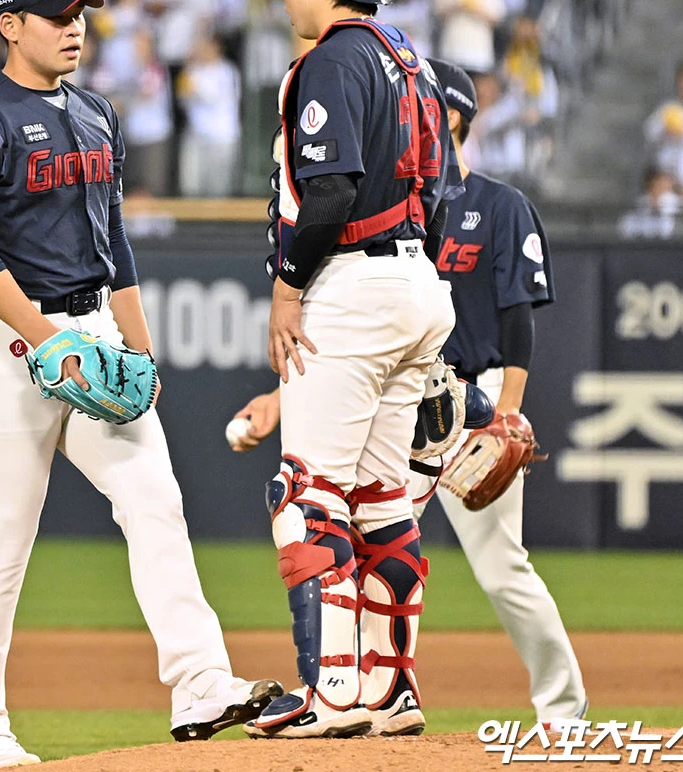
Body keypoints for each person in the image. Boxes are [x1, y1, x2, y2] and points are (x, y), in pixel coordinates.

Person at [0, 0, 280, 772]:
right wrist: (45, 338)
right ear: (10, 25)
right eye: (56, 15)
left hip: (93, 332)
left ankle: (200, 684)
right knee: (2, 541)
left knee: (156, 501)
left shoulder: (96, 112)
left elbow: (112, 238)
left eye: (79, 13)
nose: (74, 27)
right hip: (9, 342)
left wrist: (140, 346)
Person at [230, 59, 590, 731]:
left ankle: (562, 707)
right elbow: (354, 350)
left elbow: (518, 321)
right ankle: (378, 687)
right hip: (404, 388)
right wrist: (280, 401)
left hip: (472, 400)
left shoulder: (499, 205)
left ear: (448, 115)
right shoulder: (401, 199)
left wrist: (507, 413)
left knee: (499, 567)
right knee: (373, 522)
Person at [245, 0, 458, 739]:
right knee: (381, 498)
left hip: (352, 281)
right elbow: (440, 194)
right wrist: (408, 281)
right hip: (417, 281)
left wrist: (289, 288)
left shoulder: (333, 59)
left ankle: (332, 691)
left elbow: (330, 192)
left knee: (308, 494)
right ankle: (389, 689)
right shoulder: (412, 61)